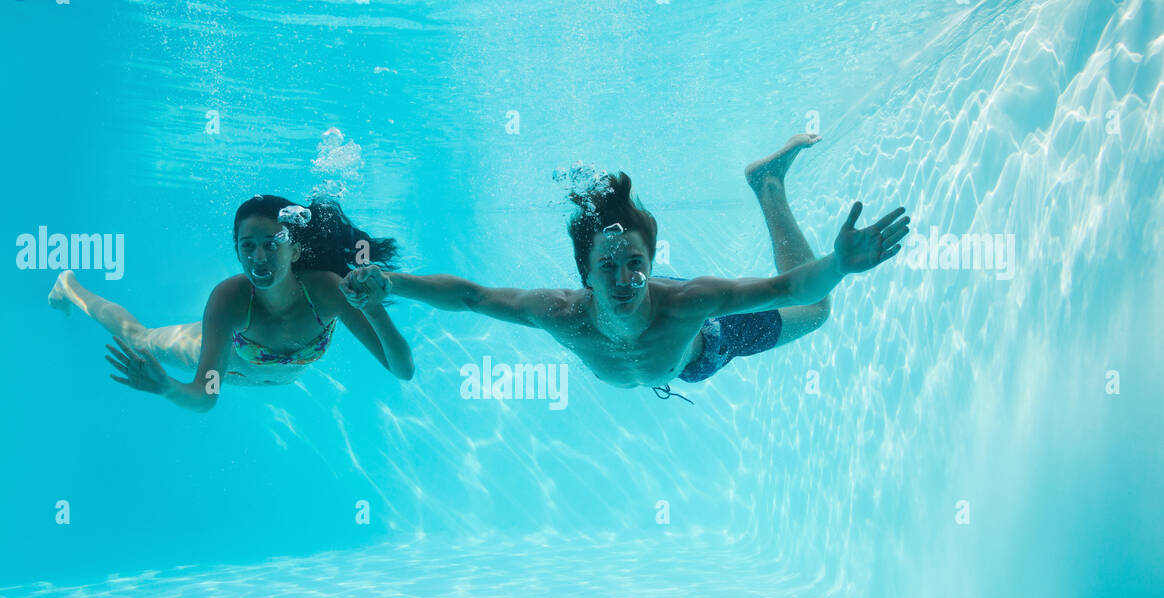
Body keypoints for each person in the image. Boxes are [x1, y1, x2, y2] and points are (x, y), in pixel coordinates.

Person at [339, 134, 908, 400]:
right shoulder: (559, 313)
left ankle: (769, 186)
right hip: (666, 358)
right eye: (606, 266)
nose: (622, 280)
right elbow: (470, 296)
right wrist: (393, 283)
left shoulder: (693, 302)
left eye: (635, 263)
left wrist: (839, 264)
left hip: (703, 347)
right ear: (583, 271)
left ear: (653, 262)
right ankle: (766, 181)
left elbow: (787, 286)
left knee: (816, 309)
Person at [48, 194, 415, 412]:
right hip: (208, 350)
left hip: (266, 379)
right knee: (139, 338)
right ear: (237, 252)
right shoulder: (228, 301)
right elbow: (206, 397)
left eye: (271, 243)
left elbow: (402, 370)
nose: (259, 257)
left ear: (295, 248)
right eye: (247, 246)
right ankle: (71, 287)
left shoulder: (328, 292)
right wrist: (165, 386)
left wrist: (372, 306)